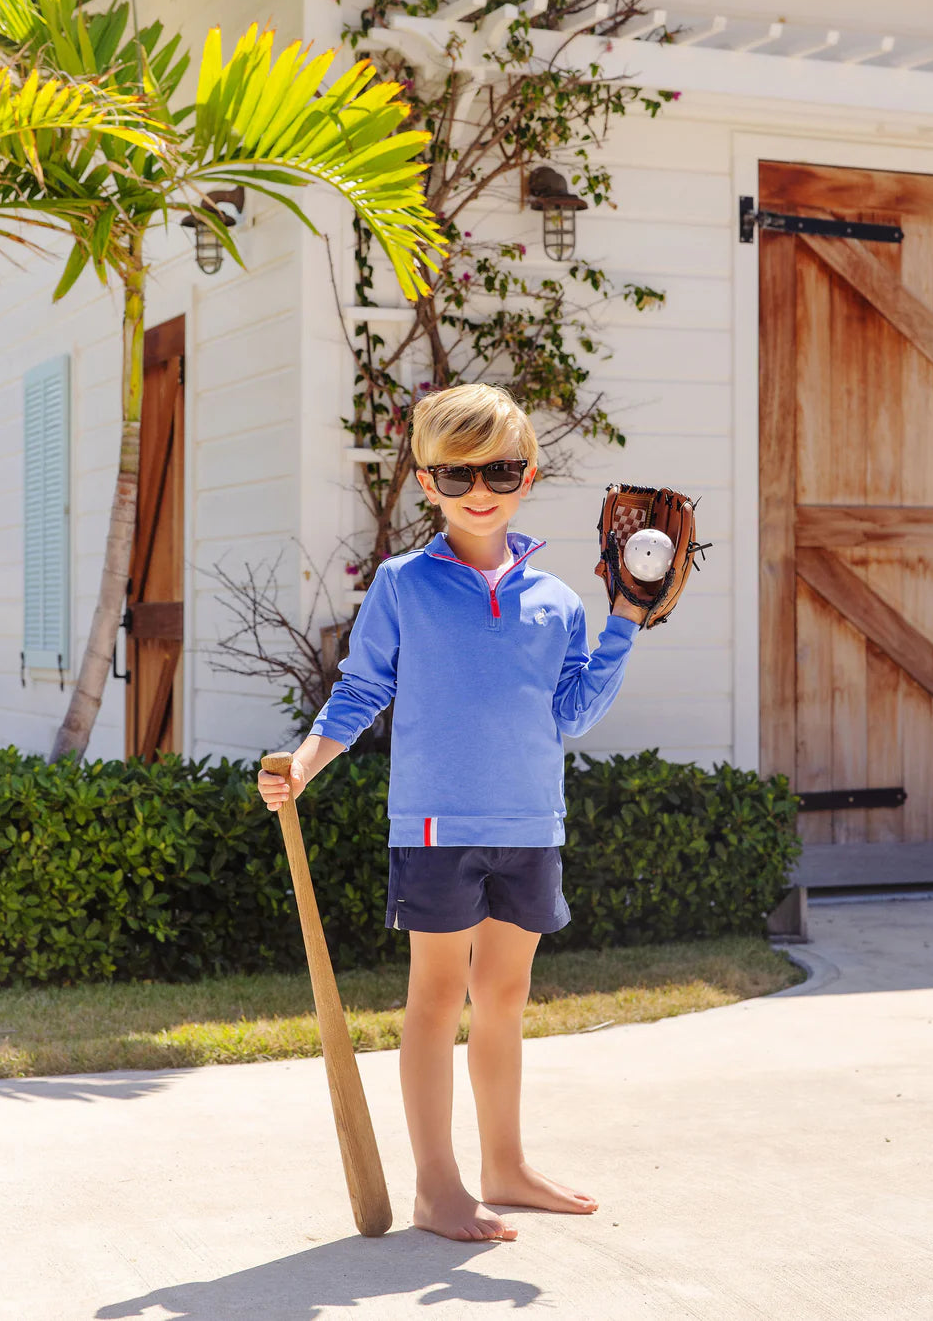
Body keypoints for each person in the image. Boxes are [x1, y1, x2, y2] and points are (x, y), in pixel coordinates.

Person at [257, 381, 645, 1243]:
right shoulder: (403, 584)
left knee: (505, 995)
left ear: (529, 475)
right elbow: (362, 688)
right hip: (435, 829)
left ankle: (503, 1164)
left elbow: (572, 710)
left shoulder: (555, 600)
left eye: (500, 468)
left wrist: (624, 617)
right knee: (436, 997)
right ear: (426, 481)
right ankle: (438, 1184)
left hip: (529, 826)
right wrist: (307, 764)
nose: (480, 487)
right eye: (457, 471)